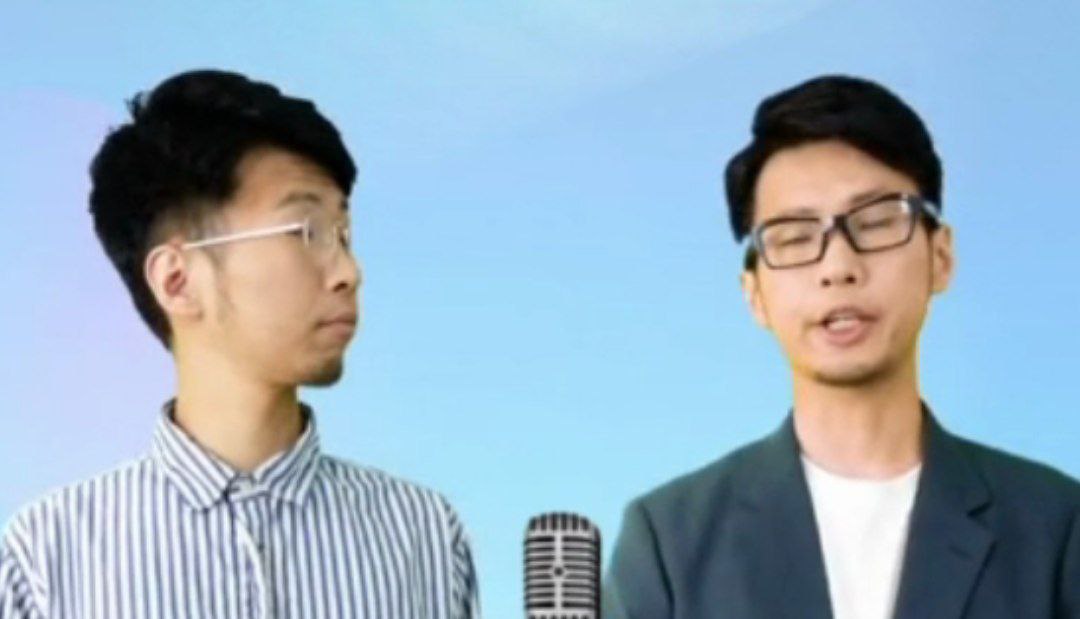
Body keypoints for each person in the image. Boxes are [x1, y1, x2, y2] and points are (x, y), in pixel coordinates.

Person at [0, 69, 480, 618]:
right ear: (177, 280)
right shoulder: (48, 558)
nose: (349, 272)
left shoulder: (424, 537)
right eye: (307, 232)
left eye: (344, 235)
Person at [603, 75, 1080, 618]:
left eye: (875, 223)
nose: (838, 267)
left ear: (940, 256)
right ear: (754, 294)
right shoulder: (669, 542)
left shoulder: (1056, 528)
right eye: (795, 237)